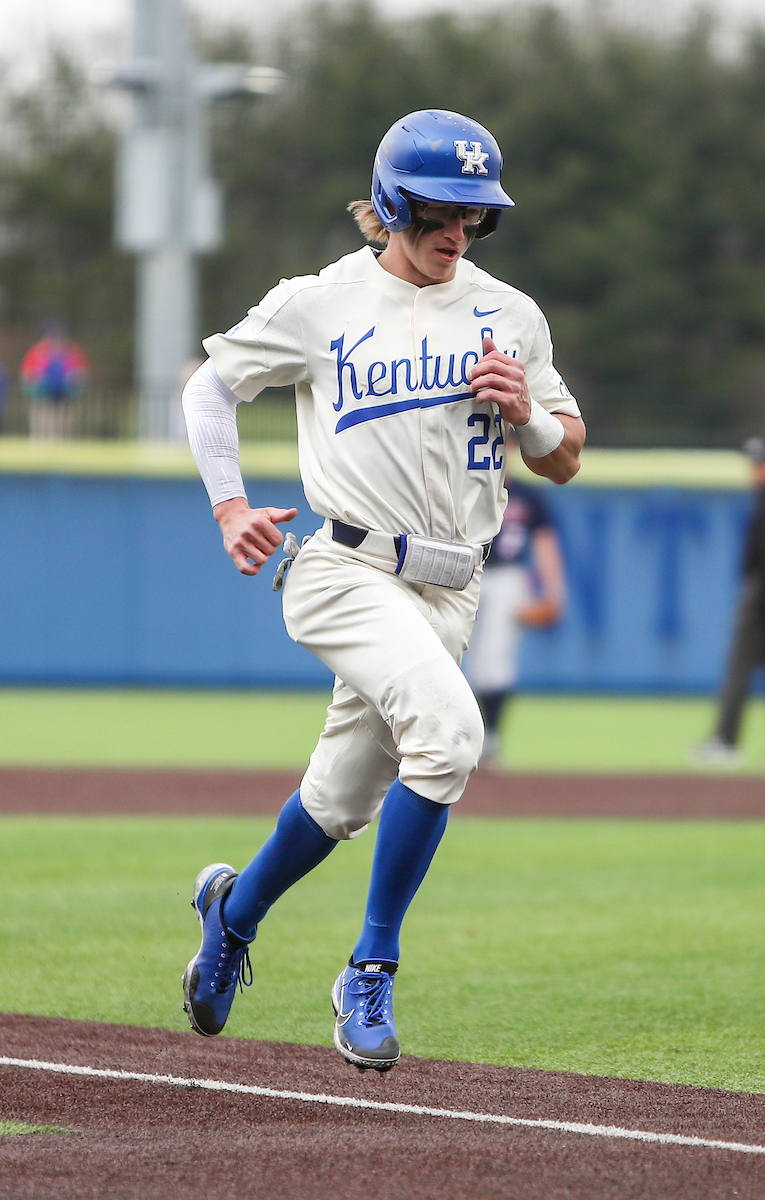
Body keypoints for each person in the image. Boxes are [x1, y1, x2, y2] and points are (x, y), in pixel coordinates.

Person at [181, 109, 585, 1071]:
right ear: (395, 204)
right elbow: (210, 387)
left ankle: (229, 914)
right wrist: (229, 504)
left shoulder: (509, 313)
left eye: (479, 217)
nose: (462, 232)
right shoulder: (318, 302)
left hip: (452, 589)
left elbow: (565, 457)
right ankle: (371, 965)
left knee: (340, 798)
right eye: (445, 212)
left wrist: (527, 414)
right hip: (344, 567)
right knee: (449, 735)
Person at [694, 436, 765, 768]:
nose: (755, 471)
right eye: (753, 465)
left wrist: (764, 602)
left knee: (740, 666)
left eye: (760, 464)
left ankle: (726, 741)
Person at [466, 472, 565, 764]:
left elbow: (544, 540)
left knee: (496, 661)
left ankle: (492, 737)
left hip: (509, 576)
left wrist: (553, 592)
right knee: (455, 659)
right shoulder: (462, 480)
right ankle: (457, 736)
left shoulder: (525, 492)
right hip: (465, 571)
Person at [20, 321, 88, 439]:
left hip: (64, 392)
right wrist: (35, 379)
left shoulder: (72, 351)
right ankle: (41, 440)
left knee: (63, 419)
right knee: (42, 417)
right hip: (42, 392)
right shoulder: (37, 351)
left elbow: (81, 371)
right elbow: (27, 373)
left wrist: (75, 378)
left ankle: (61, 440)